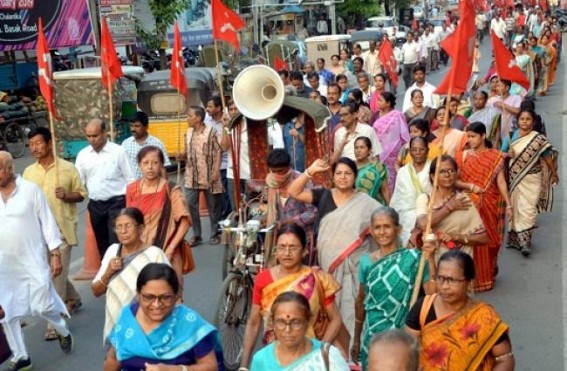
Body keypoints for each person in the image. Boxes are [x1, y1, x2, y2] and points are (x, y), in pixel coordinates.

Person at [287, 157, 381, 338]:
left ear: (355, 176)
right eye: (338, 173)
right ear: (333, 176)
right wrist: (310, 170)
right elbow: (293, 191)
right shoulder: (323, 195)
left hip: (356, 268)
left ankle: (356, 351)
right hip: (327, 268)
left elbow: (384, 223)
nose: (343, 177)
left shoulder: (366, 202)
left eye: (347, 173)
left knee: (355, 308)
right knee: (330, 310)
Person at [0, 151, 74, 371]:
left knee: (43, 305)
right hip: (4, 266)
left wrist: (55, 254)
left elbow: (48, 223)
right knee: (7, 312)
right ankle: (21, 356)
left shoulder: (30, 191)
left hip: (32, 260)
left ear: (10, 169)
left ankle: (62, 330)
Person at [240, 225, 344, 368]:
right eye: (282, 247)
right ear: (275, 251)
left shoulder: (317, 278)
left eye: (293, 247)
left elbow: (336, 319)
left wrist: (320, 350)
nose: (287, 253)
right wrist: (244, 364)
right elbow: (253, 322)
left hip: (309, 354)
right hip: (275, 355)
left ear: (304, 251)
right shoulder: (263, 280)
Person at [351, 207, 437, 369]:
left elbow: (432, 296)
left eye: (387, 226)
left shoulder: (414, 259)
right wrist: (356, 338)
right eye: (377, 227)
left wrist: (431, 258)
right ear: (371, 230)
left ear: (398, 229)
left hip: (405, 333)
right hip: (374, 334)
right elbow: (361, 300)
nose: (382, 232)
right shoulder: (366, 262)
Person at [23, 128, 87, 341]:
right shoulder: (28, 173)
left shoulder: (67, 169)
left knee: (55, 275)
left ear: (49, 143)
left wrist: (67, 195)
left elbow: (81, 194)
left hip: (61, 230)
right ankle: (73, 297)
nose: (34, 148)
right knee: (51, 272)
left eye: (38, 143)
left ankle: (55, 323)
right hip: (37, 233)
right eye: (31, 144)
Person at [406, 251, 515, 370]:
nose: (444, 286)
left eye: (452, 280)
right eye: (441, 278)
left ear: (469, 283)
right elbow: (407, 352)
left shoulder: (484, 316)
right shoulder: (423, 308)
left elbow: (504, 357)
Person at [105, 263, 222, 370]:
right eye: (148, 297)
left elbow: (210, 366)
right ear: (138, 295)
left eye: (165, 297)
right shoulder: (128, 318)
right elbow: (113, 359)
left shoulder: (190, 323)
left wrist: (175, 370)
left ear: (176, 296)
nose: (157, 305)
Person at [92, 207, 170, 347]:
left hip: (147, 327)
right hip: (116, 326)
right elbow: (96, 290)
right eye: (119, 227)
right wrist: (109, 271)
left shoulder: (154, 255)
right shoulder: (112, 252)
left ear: (141, 228)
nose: (123, 231)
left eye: (128, 226)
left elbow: (170, 291)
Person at [457, 122, 511, 292]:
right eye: (469, 137)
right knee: (473, 241)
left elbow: (500, 181)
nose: (470, 140)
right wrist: (471, 188)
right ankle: (477, 279)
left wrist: (509, 204)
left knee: (492, 242)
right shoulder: (463, 156)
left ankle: (490, 270)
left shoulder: (495, 156)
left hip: (490, 203)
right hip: (470, 205)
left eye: (473, 136)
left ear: (483, 136)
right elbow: (455, 181)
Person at [126, 145, 190, 285]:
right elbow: (128, 223)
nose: (150, 167)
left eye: (155, 163)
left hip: (167, 253)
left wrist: (170, 249)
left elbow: (185, 222)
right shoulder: (132, 190)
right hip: (140, 254)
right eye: (146, 163)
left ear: (161, 165)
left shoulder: (171, 189)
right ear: (139, 165)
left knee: (171, 297)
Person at [502, 109, 559, 256]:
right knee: (516, 207)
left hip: (533, 179)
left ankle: (525, 240)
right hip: (515, 178)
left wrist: (554, 172)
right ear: (518, 121)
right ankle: (518, 241)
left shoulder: (538, 139)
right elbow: (500, 154)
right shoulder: (510, 136)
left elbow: (547, 156)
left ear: (533, 122)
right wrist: (507, 154)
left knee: (529, 210)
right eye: (522, 119)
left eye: (528, 119)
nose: (525, 121)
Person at [75, 118, 134, 259]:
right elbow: (79, 182)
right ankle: (107, 274)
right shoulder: (83, 155)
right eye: (88, 136)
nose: (91, 140)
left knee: (116, 243)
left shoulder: (119, 152)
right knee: (102, 245)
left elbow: (131, 179)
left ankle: (120, 272)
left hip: (117, 203)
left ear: (104, 133)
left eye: (95, 136)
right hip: (96, 205)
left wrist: (132, 205)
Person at [250, 292, 350, 370]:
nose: (288, 330)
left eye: (296, 322)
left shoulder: (328, 356)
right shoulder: (261, 360)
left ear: (307, 322)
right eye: (281, 322)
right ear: (273, 323)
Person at [415, 156, 489, 262]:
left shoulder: (463, 200)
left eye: (451, 170)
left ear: (456, 174)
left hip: (459, 262)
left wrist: (456, 237)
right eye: (442, 171)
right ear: (432, 176)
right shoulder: (425, 199)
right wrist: (449, 207)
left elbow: (483, 238)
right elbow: (423, 224)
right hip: (431, 260)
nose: (447, 175)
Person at [179, 106, 223, 246]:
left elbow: (218, 152)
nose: (187, 118)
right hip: (191, 176)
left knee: (213, 207)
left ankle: (214, 233)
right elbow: (187, 152)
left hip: (209, 175)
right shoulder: (188, 132)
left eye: (189, 116)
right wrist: (182, 155)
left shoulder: (212, 132)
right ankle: (196, 235)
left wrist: (216, 171)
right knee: (191, 205)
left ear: (198, 118)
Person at [391, 137, 433, 246]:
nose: (418, 153)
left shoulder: (434, 170)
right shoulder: (402, 172)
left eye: (421, 149)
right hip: (405, 221)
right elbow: (397, 199)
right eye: (414, 150)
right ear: (409, 152)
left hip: (429, 219)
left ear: (427, 150)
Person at [372, 92, 410, 191]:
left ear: (388, 103)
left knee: (393, 178)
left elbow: (404, 135)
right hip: (378, 153)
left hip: (394, 154)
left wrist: (403, 151)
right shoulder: (375, 115)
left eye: (380, 100)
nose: (378, 102)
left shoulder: (397, 115)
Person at [121, 111, 170, 178]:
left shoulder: (157, 143)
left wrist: (164, 187)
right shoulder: (125, 144)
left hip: (152, 186)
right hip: (132, 185)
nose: (133, 129)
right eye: (131, 126)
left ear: (146, 127)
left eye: (137, 126)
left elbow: (163, 168)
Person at [206, 96, 231, 218]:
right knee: (216, 198)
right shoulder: (206, 122)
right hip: (211, 165)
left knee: (227, 197)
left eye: (210, 106)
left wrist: (225, 125)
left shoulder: (228, 120)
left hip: (227, 165)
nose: (207, 109)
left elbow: (224, 147)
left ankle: (227, 219)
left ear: (219, 108)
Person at [354, 137, 390, 205]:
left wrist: (390, 209)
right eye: (356, 147)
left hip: (375, 207)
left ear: (369, 150)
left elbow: (385, 190)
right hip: (354, 208)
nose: (358, 150)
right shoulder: (350, 167)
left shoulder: (377, 167)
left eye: (362, 147)